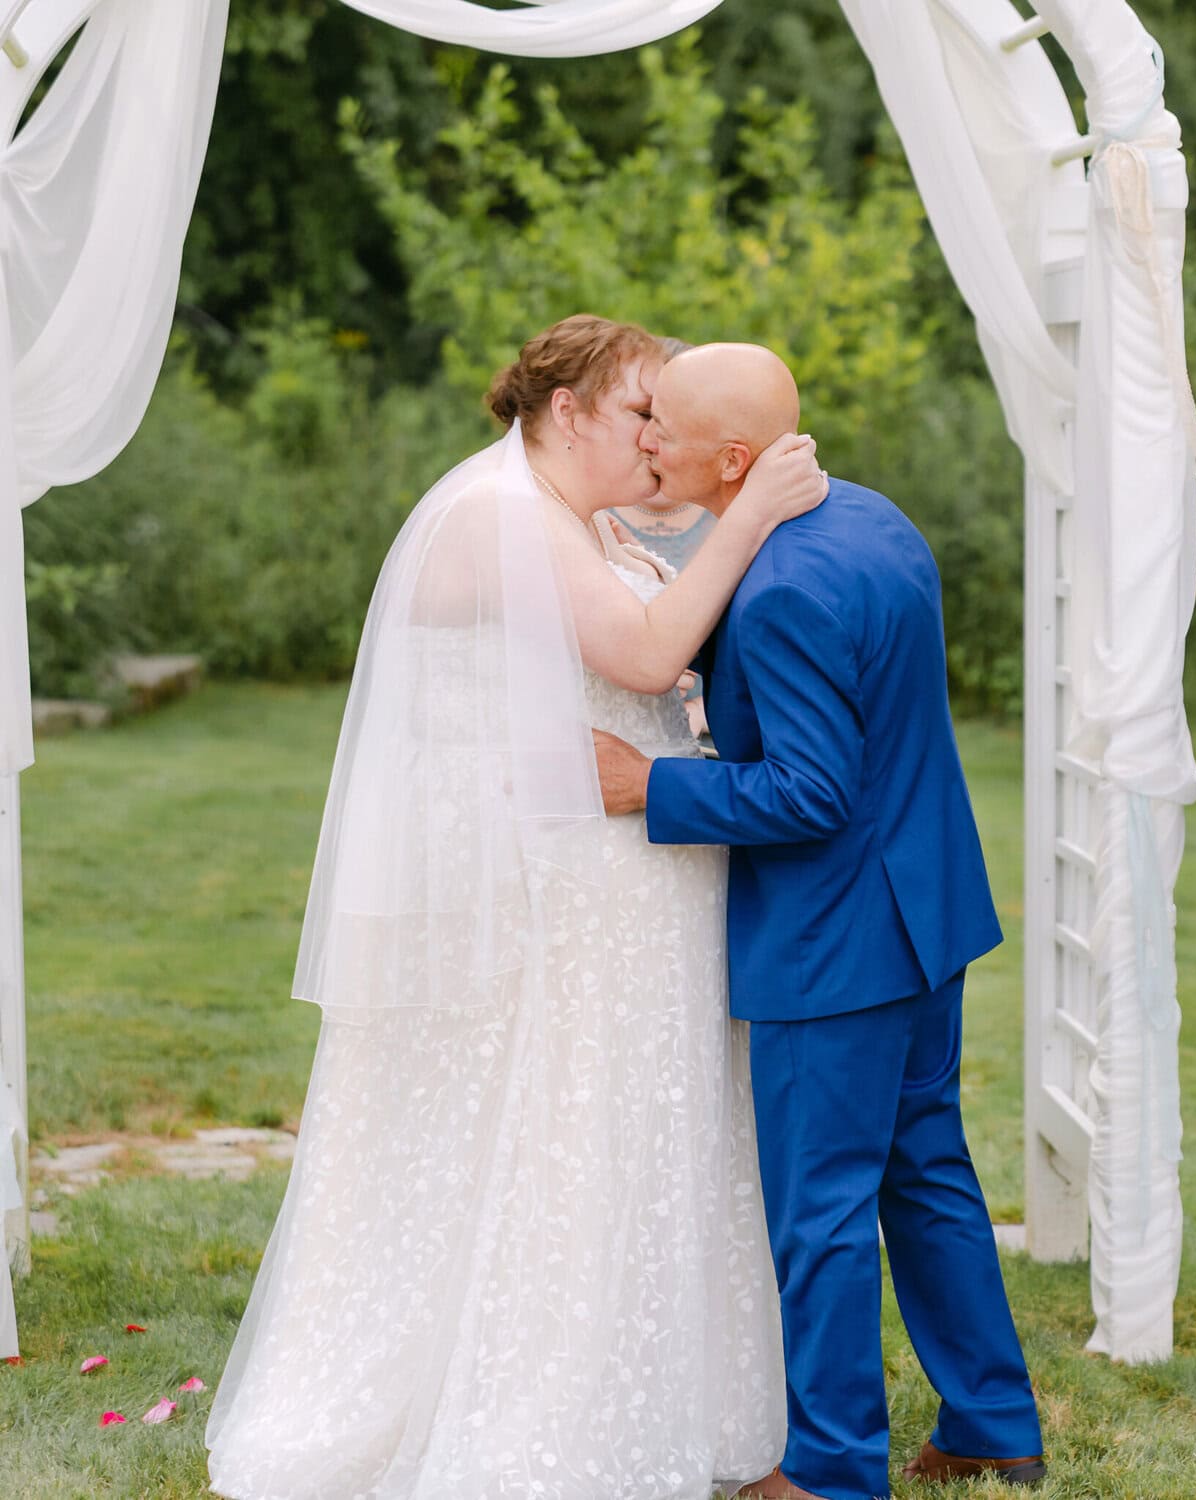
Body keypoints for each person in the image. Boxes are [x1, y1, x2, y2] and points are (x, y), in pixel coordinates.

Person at [205, 316, 829, 1500]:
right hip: (548, 891)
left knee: (615, 1127)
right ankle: (538, 1408)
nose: (657, 438)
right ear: (568, 409)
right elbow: (643, 657)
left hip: (615, 870)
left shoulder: (580, 518)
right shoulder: (497, 515)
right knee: (556, 1128)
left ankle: (660, 1390)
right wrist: (749, 514)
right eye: (641, 412)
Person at [594, 343, 1046, 1500]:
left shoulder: (784, 586)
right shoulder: (873, 520)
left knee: (823, 1211)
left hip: (835, 943)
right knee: (926, 1172)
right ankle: (993, 1423)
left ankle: (834, 1471)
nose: (647, 438)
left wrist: (650, 787)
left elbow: (811, 792)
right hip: (923, 911)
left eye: (665, 426)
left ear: (732, 459)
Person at [610, 338, 715, 741]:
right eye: (645, 415)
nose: (652, 435)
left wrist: (706, 710)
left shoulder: (731, 516)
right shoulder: (595, 512)